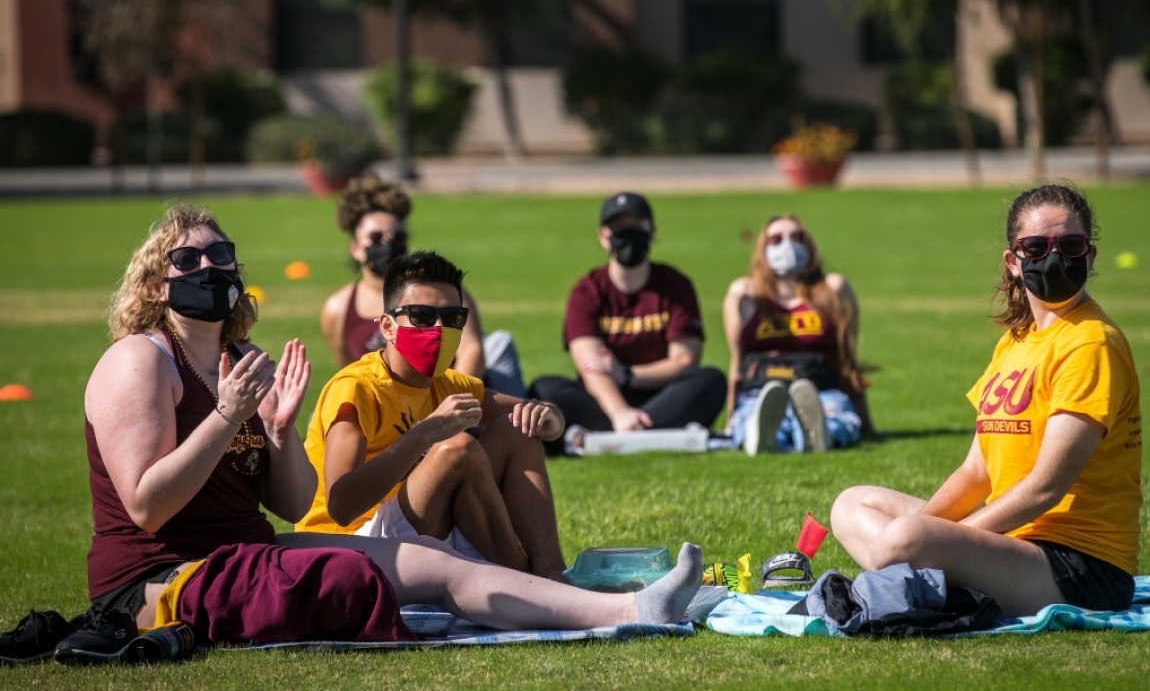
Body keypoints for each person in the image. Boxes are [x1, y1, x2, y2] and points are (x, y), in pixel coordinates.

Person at [21, 203, 702, 662]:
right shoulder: (139, 360)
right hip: (161, 583)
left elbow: (289, 505)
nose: (211, 271)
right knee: (350, 571)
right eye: (187, 263)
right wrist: (230, 415)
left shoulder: (232, 364)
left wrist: (279, 431)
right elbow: (146, 505)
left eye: (220, 256)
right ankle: (600, 604)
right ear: (154, 282)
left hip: (243, 551)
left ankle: (629, 607)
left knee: (442, 567)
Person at [830, 185, 1142, 617]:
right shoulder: (1015, 342)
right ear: (1014, 262)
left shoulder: (1092, 344)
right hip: (1012, 542)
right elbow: (977, 471)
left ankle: (912, 577)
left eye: (1071, 245)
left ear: (1089, 256)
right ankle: (921, 577)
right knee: (852, 504)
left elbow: (1045, 489)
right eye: (1036, 246)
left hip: (1079, 567)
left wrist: (932, 540)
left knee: (906, 541)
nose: (1056, 257)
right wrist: (933, 533)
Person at [297, 250, 569, 582]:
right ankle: (526, 585)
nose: (439, 328)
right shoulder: (357, 389)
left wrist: (550, 421)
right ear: (388, 326)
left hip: (415, 533)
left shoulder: (447, 384)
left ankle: (552, 574)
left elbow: (536, 412)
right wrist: (424, 434)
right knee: (458, 449)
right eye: (422, 316)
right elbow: (341, 507)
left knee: (517, 431)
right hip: (349, 550)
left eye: (453, 317)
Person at [529, 192, 726, 456]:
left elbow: (684, 361)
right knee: (545, 388)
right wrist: (620, 412)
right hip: (604, 398)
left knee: (711, 380)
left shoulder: (675, 285)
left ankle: (598, 439)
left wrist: (628, 374)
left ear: (652, 231)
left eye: (636, 227)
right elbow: (590, 367)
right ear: (603, 236)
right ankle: (655, 435)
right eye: (619, 228)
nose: (627, 235)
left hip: (662, 395)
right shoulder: (587, 291)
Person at [321, 175, 525, 397]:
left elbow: (471, 350)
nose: (389, 244)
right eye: (377, 237)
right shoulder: (337, 310)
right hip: (398, 413)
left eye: (397, 236)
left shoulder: (440, 291)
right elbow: (352, 374)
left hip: (458, 398)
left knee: (499, 346)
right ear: (356, 248)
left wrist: (444, 409)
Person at [721, 214, 873, 455]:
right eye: (776, 239)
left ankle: (819, 436)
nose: (788, 245)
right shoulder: (745, 294)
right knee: (754, 416)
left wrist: (867, 423)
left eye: (797, 237)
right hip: (762, 391)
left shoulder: (832, 289)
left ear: (810, 246)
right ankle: (760, 437)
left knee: (833, 416)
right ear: (762, 248)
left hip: (820, 391)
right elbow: (737, 365)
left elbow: (847, 359)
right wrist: (730, 421)